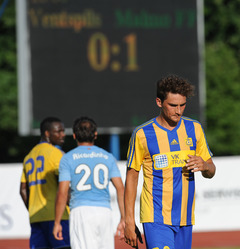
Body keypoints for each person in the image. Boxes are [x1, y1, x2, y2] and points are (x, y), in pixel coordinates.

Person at [124, 74, 216, 249]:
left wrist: (205, 166)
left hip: (184, 217)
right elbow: (131, 178)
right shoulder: (142, 134)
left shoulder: (194, 128)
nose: (179, 111)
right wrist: (129, 221)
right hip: (155, 216)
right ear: (159, 102)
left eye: (182, 105)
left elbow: (211, 170)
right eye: (173, 105)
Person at [53, 116, 125, 249]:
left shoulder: (67, 158)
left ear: (74, 135)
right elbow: (121, 188)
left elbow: (62, 193)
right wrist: (124, 218)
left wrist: (57, 222)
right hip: (104, 212)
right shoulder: (108, 157)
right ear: (95, 135)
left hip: (81, 212)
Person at [20, 117, 70, 249]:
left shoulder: (29, 156)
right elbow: (64, 187)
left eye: (63, 131)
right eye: (58, 131)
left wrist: (32, 210)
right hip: (57, 217)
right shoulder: (57, 154)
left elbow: (23, 190)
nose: (62, 134)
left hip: (36, 217)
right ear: (47, 133)